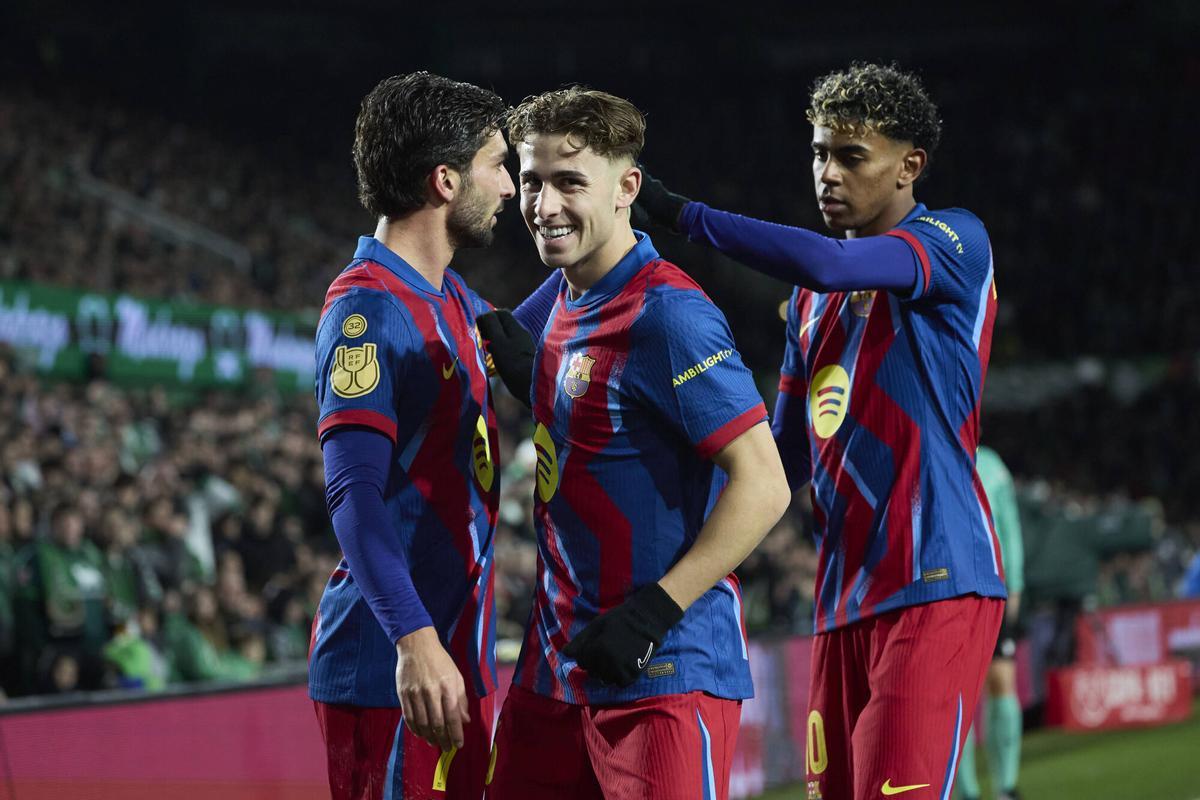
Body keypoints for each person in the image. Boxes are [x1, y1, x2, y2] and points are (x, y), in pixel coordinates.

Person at [636, 62, 1007, 800]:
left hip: (935, 578)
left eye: (850, 156)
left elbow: (829, 262)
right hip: (844, 598)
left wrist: (682, 215)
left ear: (909, 166)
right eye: (818, 153)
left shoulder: (952, 242)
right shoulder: (809, 303)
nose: (827, 174)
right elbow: (782, 457)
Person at [478, 87, 790, 800]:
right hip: (557, 667)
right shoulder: (562, 301)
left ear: (627, 188)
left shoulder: (668, 315)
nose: (544, 205)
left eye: (569, 182)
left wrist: (654, 613)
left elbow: (764, 483)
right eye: (532, 181)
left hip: (663, 667)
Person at [308, 71, 516, 800]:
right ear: (446, 181)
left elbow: (539, 334)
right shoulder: (366, 310)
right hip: (393, 668)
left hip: (455, 658)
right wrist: (414, 640)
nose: (511, 188)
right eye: (499, 166)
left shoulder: (452, 296)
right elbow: (353, 495)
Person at [955, 445, 1025, 800]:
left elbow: (1009, 526)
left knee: (1002, 683)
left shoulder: (994, 465)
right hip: (953, 591)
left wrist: (1016, 584)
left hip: (995, 586)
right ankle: (966, 791)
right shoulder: (937, 451)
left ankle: (1006, 787)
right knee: (959, 693)